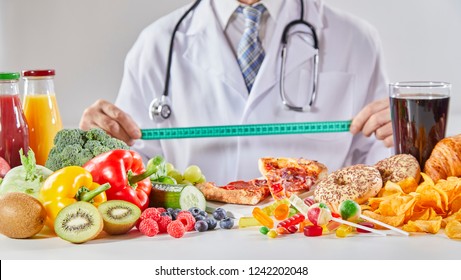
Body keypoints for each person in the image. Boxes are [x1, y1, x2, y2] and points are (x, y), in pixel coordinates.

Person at [80, 0, 393, 185]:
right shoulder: (156, 45)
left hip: (315, 245)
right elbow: (134, 170)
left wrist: (408, 139)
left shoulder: (356, 40)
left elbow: (383, 169)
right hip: (195, 251)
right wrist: (99, 149)